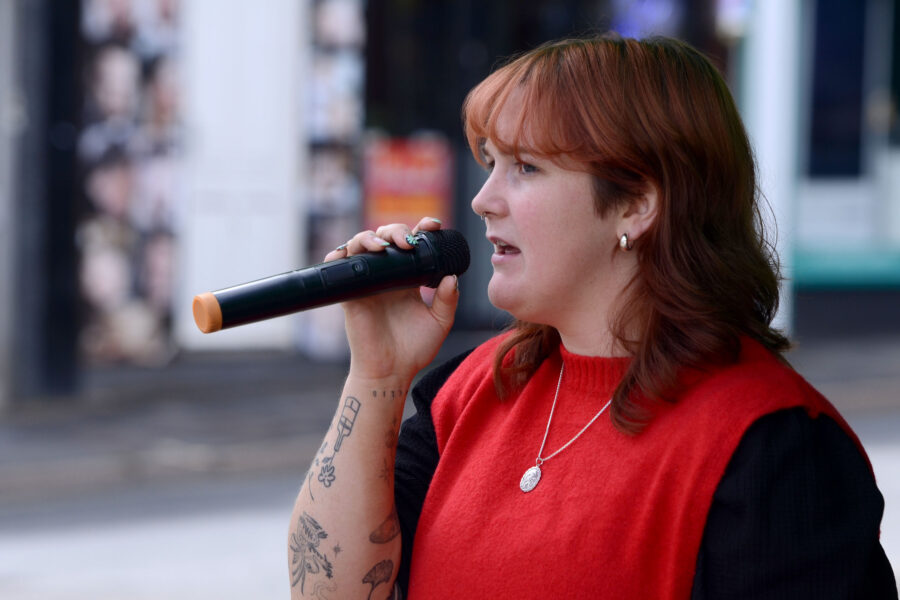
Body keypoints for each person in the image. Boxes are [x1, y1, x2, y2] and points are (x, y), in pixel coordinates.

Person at [288, 34, 898, 599]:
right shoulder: (474, 388)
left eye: (526, 167)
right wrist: (377, 374)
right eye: (490, 162)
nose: (482, 199)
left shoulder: (773, 448)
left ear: (636, 205)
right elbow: (329, 590)